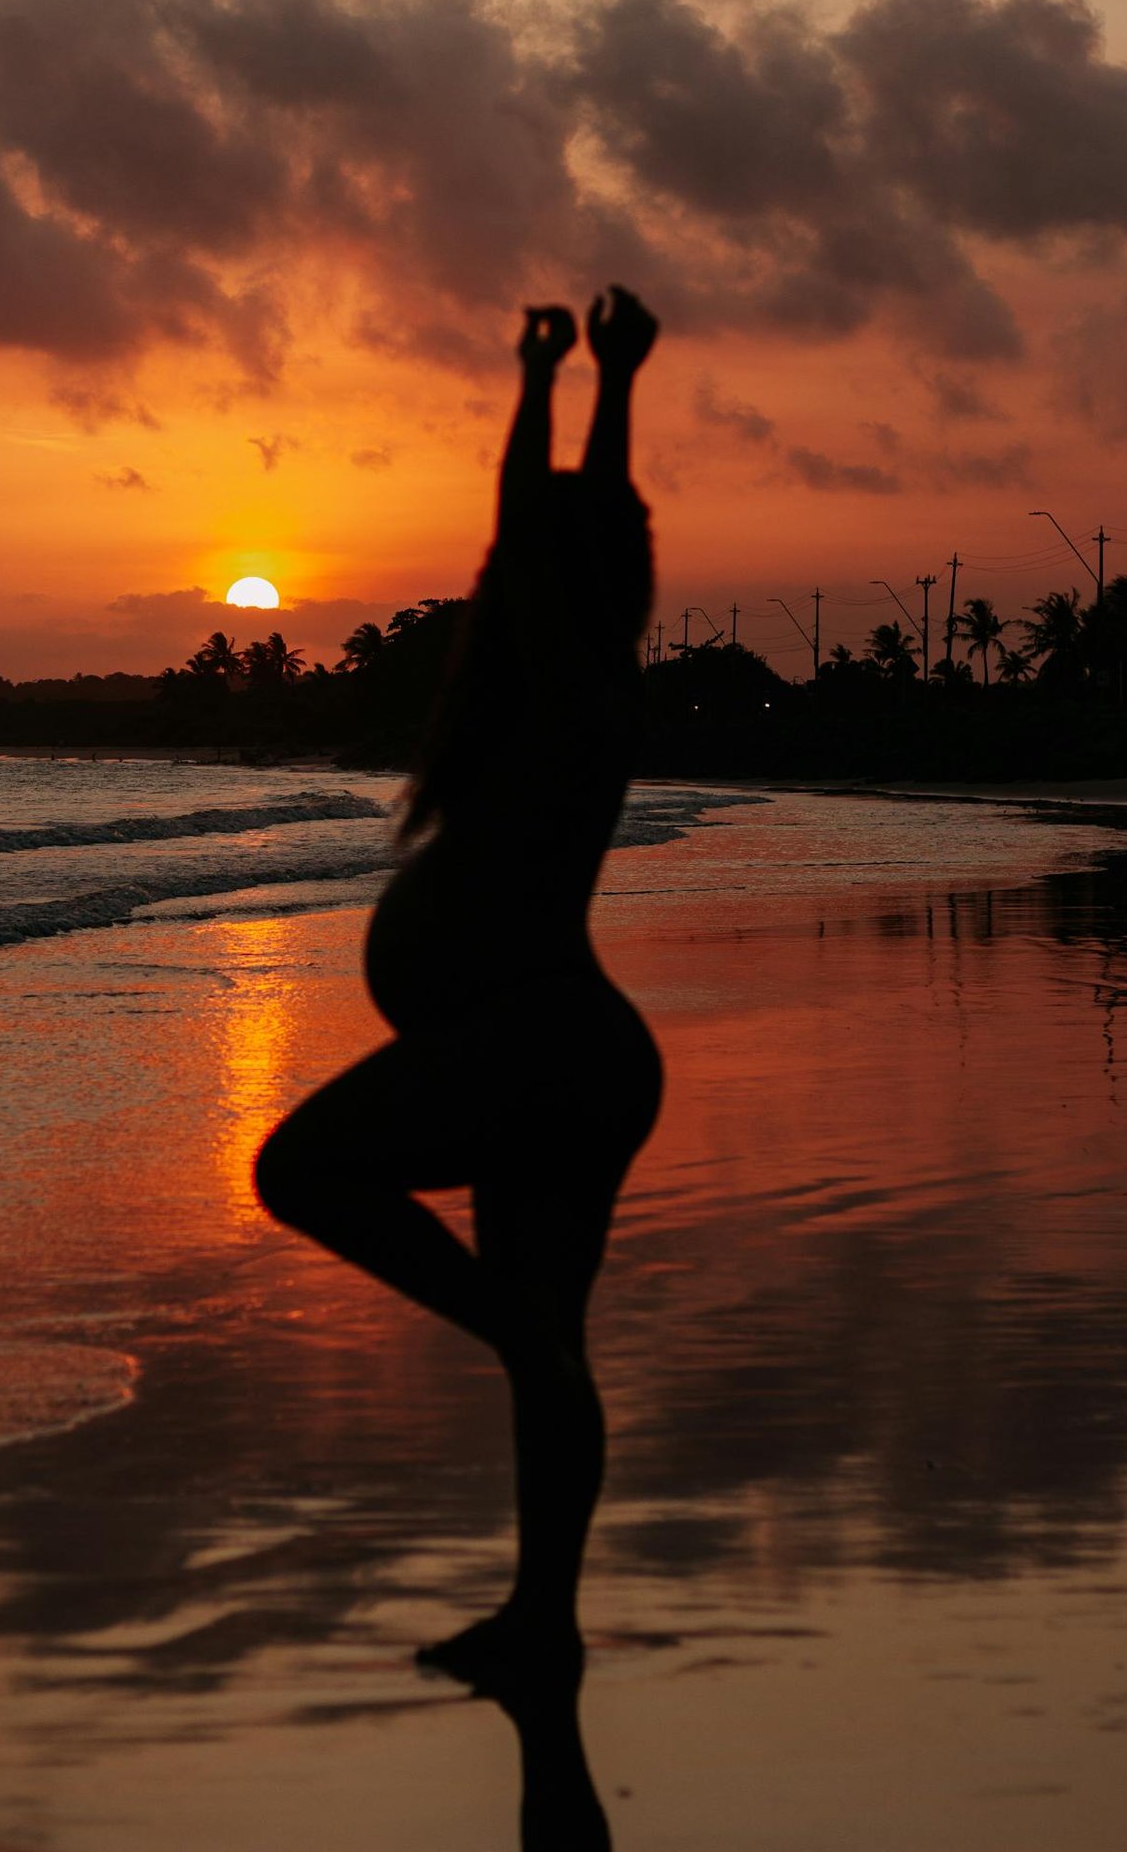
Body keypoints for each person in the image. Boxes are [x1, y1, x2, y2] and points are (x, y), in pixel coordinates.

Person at [254, 287, 663, 1838]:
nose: (512, 570)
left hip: (541, 1045)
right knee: (547, 1350)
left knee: (298, 1170)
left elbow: (559, 527)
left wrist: (570, 382)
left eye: (535, 563)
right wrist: (578, 384)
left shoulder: (573, 683)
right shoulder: (540, 691)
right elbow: (553, 534)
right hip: (556, 1051)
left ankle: (518, 1351)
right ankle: (539, 1621)